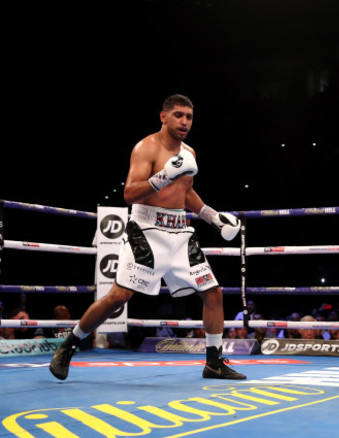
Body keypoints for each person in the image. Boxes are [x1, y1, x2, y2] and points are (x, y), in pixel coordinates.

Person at [49, 94, 245, 381]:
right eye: (178, 115)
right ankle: (68, 346)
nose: (185, 122)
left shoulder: (189, 152)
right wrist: (163, 175)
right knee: (118, 297)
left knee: (213, 292)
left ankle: (213, 363)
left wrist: (212, 217)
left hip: (180, 231)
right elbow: (129, 193)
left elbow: (186, 192)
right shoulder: (145, 148)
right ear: (163, 116)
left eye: (189, 117)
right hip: (146, 229)